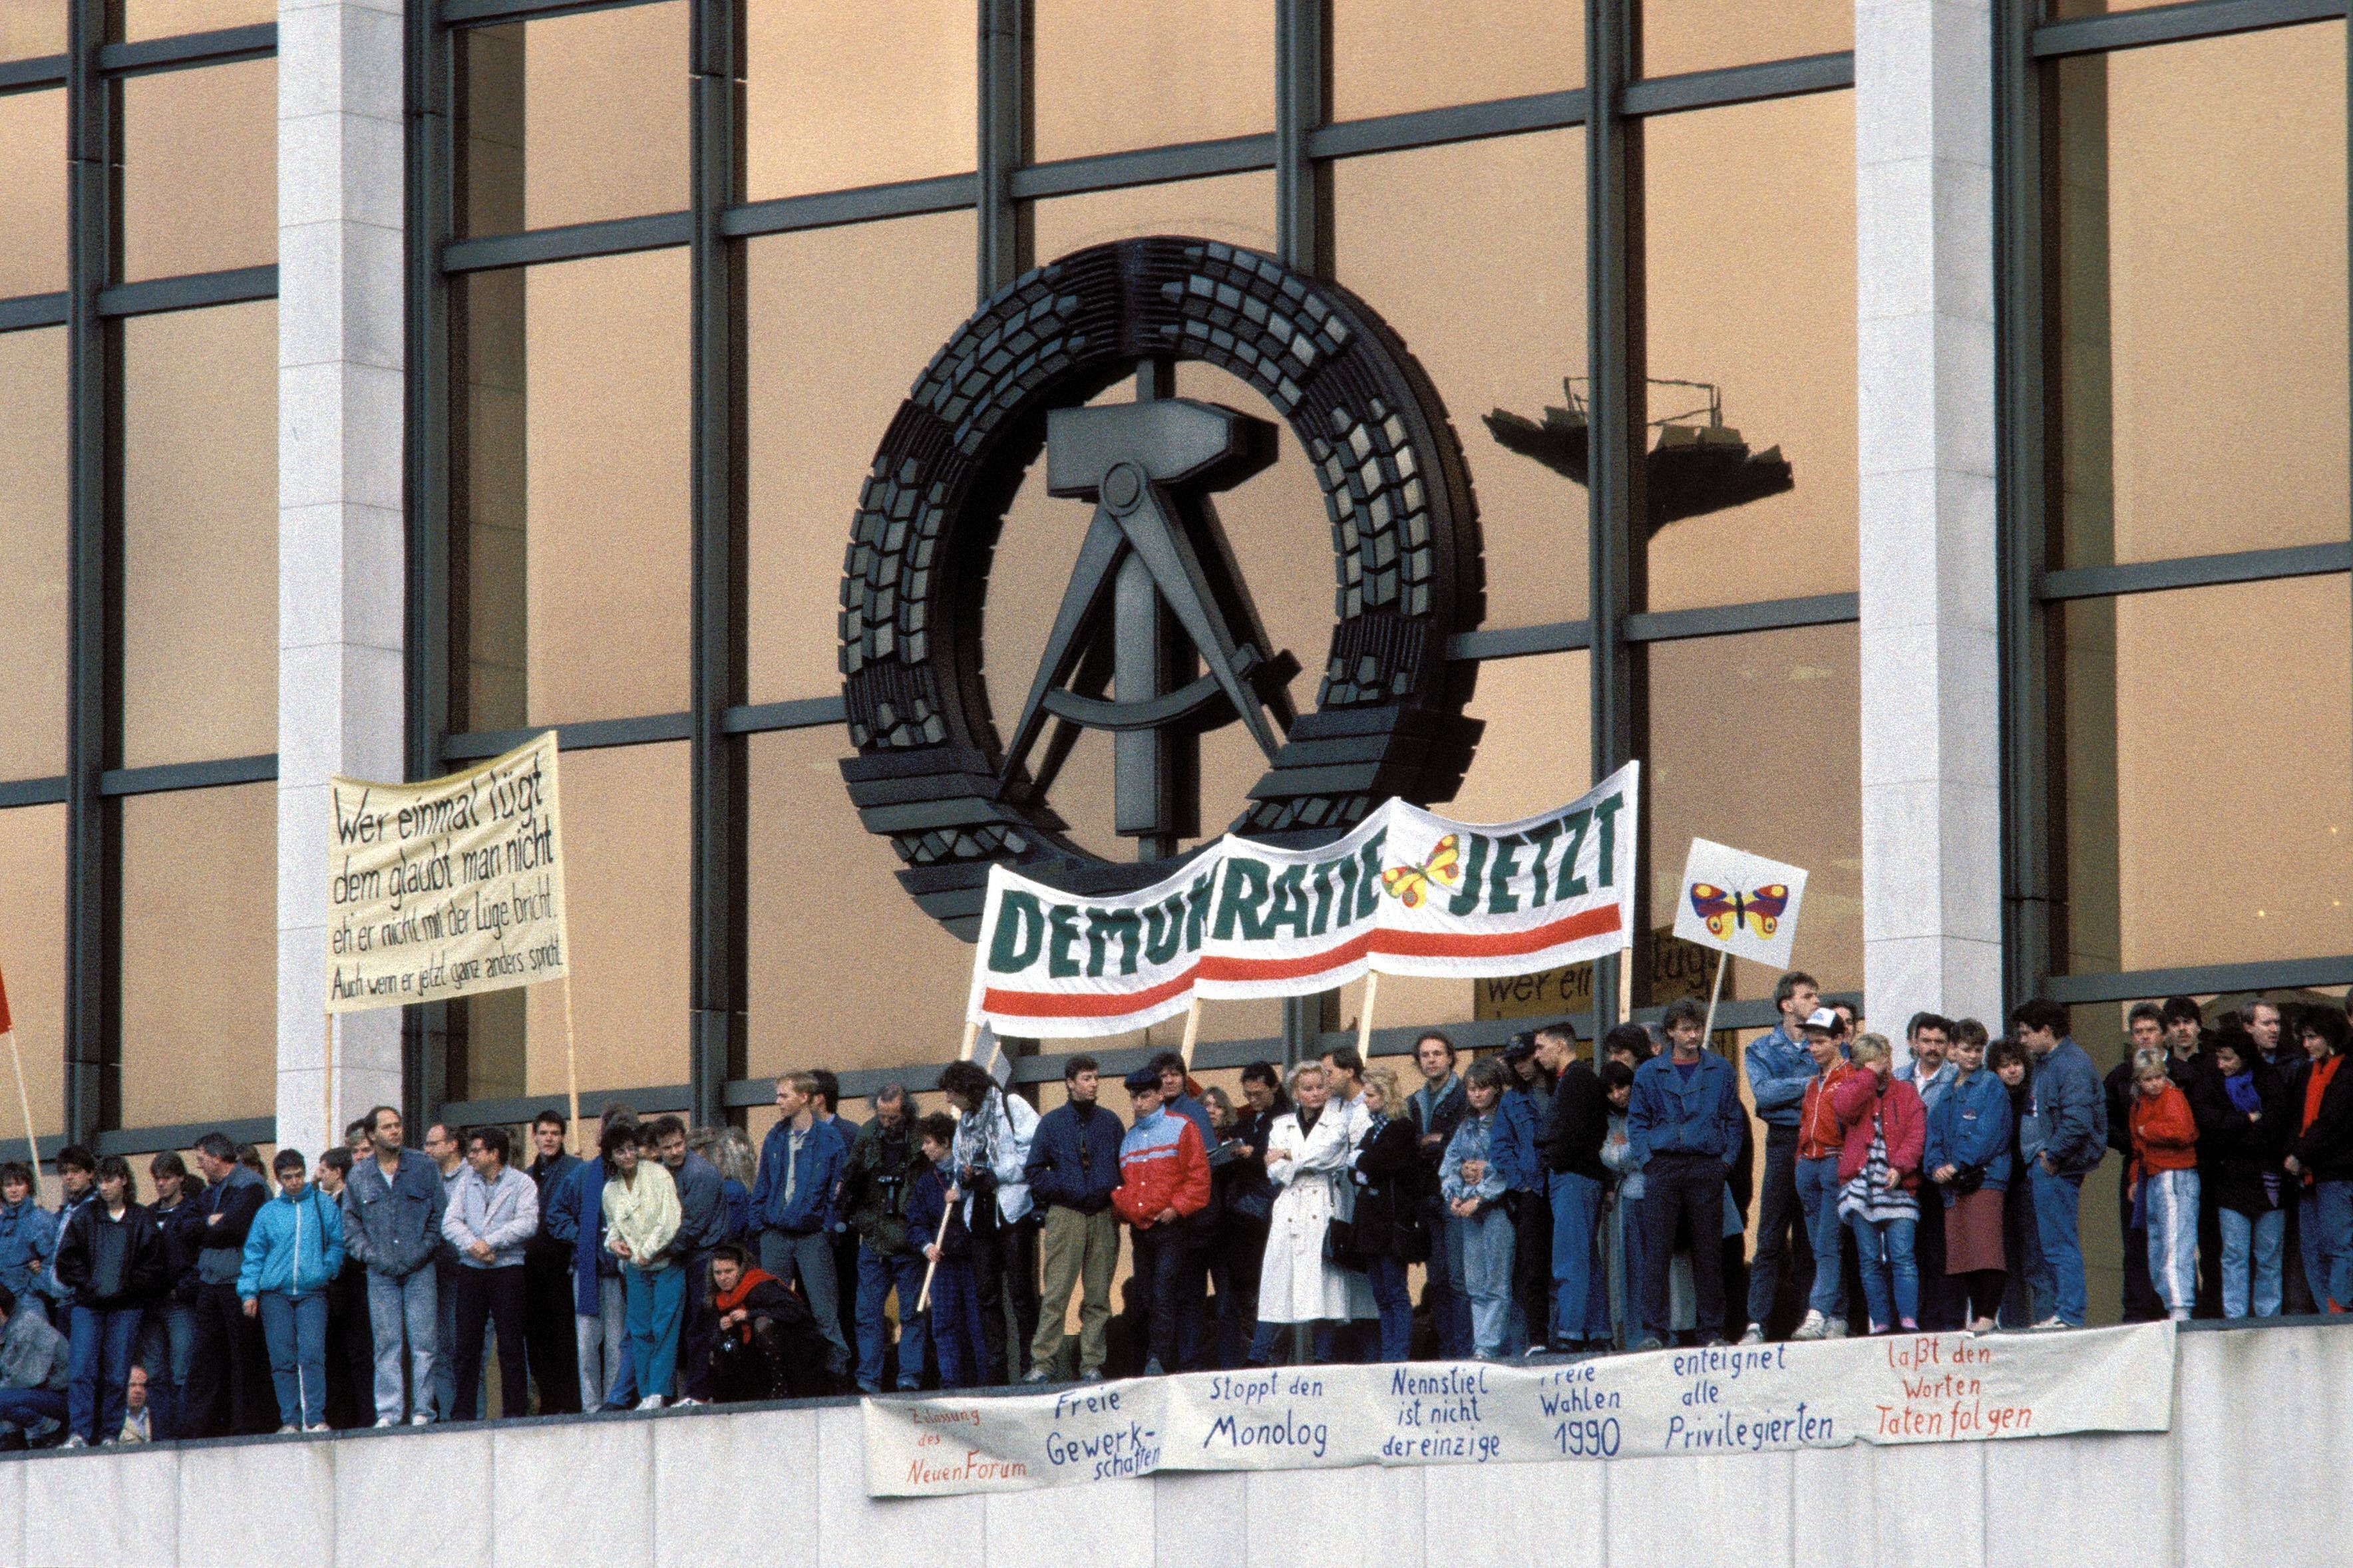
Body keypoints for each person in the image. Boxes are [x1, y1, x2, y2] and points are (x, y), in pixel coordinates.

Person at [1626, 997, 1745, 1349]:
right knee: (1657, 1252)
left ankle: (1712, 1331)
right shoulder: (1649, 1072)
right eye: (1686, 1029)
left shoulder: (1721, 1070)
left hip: (1706, 1166)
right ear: (1670, 1033)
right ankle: (1654, 1331)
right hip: (1663, 1167)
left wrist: (1724, 1162)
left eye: (1697, 1028)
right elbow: (1637, 1120)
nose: (1693, 1035)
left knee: (1709, 1252)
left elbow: (1733, 1120)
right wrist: (1647, 1158)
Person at [1251, 1064, 1367, 1364]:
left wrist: (1289, 1155)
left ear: (1328, 1090)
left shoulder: (1341, 1120)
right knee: (1278, 1282)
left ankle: (1323, 1357)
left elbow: (1330, 1156)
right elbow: (1272, 1169)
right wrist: (1289, 1162)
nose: (1314, 1094)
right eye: (1307, 1088)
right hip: (1289, 1205)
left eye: (1319, 1087)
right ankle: (1258, 1355)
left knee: (1324, 1285)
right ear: (1295, 1093)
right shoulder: (1281, 1124)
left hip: (1323, 1204)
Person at [938, 1060, 1041, 1384]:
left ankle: (1031, 1362)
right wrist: (966, 1176)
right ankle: (997, 1367)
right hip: (980, 1214)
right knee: (987, 1294)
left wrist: (998, 1173)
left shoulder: (1010, 1106)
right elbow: (957, 1164)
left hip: (1011, 1210)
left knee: (1022, 1292)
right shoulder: (964, 1123)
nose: (949, 1101)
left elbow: (1033, 1152)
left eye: (952, 1093)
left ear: (968, 1089)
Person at [341, 1104, 444, 1427]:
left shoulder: (424, 1166)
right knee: (386, 1345)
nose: (395, 1131)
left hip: (420, 1268)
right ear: (372, 1135)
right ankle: (388, 1412)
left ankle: (422, 1411)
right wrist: (371, 1256)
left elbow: (439, 1216)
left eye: (398, 1125)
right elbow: (350, 1225)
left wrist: (423, 1251)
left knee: (424, 1344)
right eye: (387, 1127)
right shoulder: (359, 1174)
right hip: (380, 1272)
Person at [1023, 1058, 1124, 1384]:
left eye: (1096, 1078)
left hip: (1103, 1213)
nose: (1093, 1084)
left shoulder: (1110, 1122)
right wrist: (1066, 1189)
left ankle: (1092, 1362)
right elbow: (1034, 1171)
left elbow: (1124, 1166)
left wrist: (1111, 1192)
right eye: (1086, 1078)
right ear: (1070, 1082)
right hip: (1065, 1214)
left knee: (1098, 1296)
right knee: (1056, 1294)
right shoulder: (1052, 1124)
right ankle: (1043, 1363)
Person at [2011, 997, 2108, 1329]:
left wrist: (2052, 1156)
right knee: (2051, 1244)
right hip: (2045, 1164)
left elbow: (2078, 1121)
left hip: (2056, 1167)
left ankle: (2069, 1313)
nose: (2021, 1040)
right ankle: (2061, 1311)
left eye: (2026, 1033)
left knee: (2059, 1243)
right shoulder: (2047, 1062)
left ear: (2047, 1031)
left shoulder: (2072, 1064)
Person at [55, 1155, 164, 1448]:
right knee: (81, 1370)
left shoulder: (141, 1218)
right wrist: (90, 1286)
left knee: (117, 1374)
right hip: (89, 1306)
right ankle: (79, 1432)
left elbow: (153, 1264)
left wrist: (126, 1287)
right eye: (100, 1181)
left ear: (124, 1180)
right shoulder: (85, 1216)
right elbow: (66, 1260)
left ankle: (109, 1434)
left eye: (110, 1180)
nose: (104, 1187)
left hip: (125, 1308)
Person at [750, 1074, 852, 1386]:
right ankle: (777, 1376)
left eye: (784, 1096)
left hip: (811, 1235)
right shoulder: (775, 1137)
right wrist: (760, 1225)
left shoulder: (830, 1139)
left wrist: (826, 1226)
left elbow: (839, 1191)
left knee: (824, 1310)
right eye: (778, 1096)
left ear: (805, 1097)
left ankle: (834, 1377)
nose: (778, 1102)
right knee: (771, 1308)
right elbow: (764, 1185)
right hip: (776, 1232)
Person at [1111, 1066, 1212, 1376]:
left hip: (1172, 1227)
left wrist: (1176, 1208)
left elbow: (1198, 1177)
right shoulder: (1129, 1138)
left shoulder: (1183, 1127)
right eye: (1134, 1098)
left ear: (1158, 1095)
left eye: (1144, 1096)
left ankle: (1159, 1360)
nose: (1138, 1103)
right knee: (1144, 1294)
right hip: (1142, 1230)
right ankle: (1150, 1359)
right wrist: (1127, 1211)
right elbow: (1124, 1186)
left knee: (1165, 1291)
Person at [238, 1149, 344, 1434]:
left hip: (313, 1291)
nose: (295, 1182)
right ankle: (290, 1420)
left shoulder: (322, 1205)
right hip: (275, 1294)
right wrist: (248, 1292)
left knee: (312, 1355)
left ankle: (316, 1417)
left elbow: (337, 1242)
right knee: (282, 1359)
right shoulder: (268, 1212)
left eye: (298, 1175)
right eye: (288, 1178)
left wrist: (328, 1268)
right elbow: (254, 1254)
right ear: (278, 1179)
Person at [1743, 971, 1824, 1341]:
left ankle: (1811, 1319)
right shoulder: (1761, 1048)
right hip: (1781, 1144)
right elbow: (1765, 1096)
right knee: (1771, 1238)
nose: (1816, 1002)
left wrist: (1792, 1092)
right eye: (1808, 996)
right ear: (1786, 1005)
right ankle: (1756, 1322)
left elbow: (1833, 1092)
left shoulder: (1823, 1046)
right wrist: (1809, 1084)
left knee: (1811, 1239)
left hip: (1816, 1143)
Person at [441, 1125, 541, 1420]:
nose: (470, 1156)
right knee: (466, 1345)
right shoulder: (466, 1183)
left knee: (510, 1343)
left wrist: (491, 1241)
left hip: (507, 1269)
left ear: (494, 1154)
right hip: (472, 1270)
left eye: (476, 1150)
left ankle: (514, 1412)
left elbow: (527, 1223)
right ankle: (463, 1413)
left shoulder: (522, 1183)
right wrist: (473, 1245)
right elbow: (450, 1222)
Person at [1829, 1034, 1926, 1335]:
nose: (1884, 1067)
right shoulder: (1852, 1090)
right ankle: (1881, 1322)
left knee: (1903, 1257)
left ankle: (1908, 1319)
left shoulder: (1907, 1093)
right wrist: (1867, 1078)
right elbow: (1845, 1110)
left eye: (1885, 1058)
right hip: (1861, 1188)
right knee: (1869, 1260)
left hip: (1898, 1186)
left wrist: (1901, 1167)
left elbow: (1916, 1134)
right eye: (1874, 1062)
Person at [2191, 1026, 2290, 1318]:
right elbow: (2210, 1129)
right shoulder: (2212, 1084)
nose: (2222, 1065)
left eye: (2228, 1059)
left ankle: (2268, 1317)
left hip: (2269, 1182)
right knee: (2233, 1255)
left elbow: (2275, 1127)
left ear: (2244, 1057)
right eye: (2219, 1058)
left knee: (2269, 1255)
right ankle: (2235, 1317)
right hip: (2230, 1183)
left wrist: (2234, 1129)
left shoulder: (2268, 1080)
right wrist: (2247, 1119)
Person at [546, 1105, 639, 1412]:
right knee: (587, 1343)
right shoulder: (584, 1174)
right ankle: (591, 1406)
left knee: (616, 1342)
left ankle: (614, 1402)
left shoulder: (639, 1176)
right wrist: (583, 1236)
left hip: (620, 1271)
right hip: (587, 1269)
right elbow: (555, 1214)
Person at [840, 1084, 930, 1394]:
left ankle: (910, 1376)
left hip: (909, 1240)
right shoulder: (868, 1135)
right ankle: (868, 1378)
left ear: (906, 1113)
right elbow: (851, 1178)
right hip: (875, 1239)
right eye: (882, 1117)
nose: (887, 1123)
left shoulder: (920, 1139)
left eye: (892, 1118)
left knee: (912, 1313)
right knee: (867, 1313)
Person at [1924, 1024, 2012, 1334]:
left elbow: (1988, 1134)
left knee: (1985, 1249)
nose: (1972, 1056)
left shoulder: (1991, 1085)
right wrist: (1935, 1166)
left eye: (1978, 1050)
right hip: (1954, 1185)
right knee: (1964, 1253)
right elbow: (1933, 1133)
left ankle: (1988, 1314)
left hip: (1985, 1179)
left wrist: (1957, 1164)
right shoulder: (1948, 1091)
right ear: (1953, 1051)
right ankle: (1978, 1317)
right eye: (1966, 1049)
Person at [186, 1130, 272, 1436]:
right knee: (206, 1358)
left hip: (238, 1281)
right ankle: (203, 1427)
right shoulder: (211, 1192)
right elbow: (186, 1227)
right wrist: (211, 1223)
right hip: (211, 1281)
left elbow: (235, 1228)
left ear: (216, 1157)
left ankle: (246, 1425)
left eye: (201, 1160)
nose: (199, 1167)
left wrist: (209, 1225)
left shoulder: (251, 1187)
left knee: (242, 1358)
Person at [1536, 1022, 1611, 1353]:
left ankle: (1570, 1332)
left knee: (1570, 1258)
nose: (1537, 1056)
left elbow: (1574, 1132)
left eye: (1541, 1047)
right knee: (1585, 1257)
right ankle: (1597, 1330)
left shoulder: (1576, 1080)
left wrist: (1554, 1158)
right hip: (1579, 1176)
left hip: (1573, 1177)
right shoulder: (1571, 1081)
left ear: (1561, 1045)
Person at [1439, 1059, 1521, 1360]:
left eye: (1483, 1088)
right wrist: (1455, 1195)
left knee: (1497, 1280)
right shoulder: (1465, 1126)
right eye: (1471, 1089)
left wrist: (1481, 1190)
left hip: (1497, 1208)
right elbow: (1449, 1165)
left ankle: (1492, 1344)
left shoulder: (1506, 1121)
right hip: (1468, 1211)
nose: (1476, 1095)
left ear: (1496, 1089)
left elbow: (1508, 1166)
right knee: (1474, 1282)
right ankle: (1481, 1344)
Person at [1783, 1007, 1856, 1341]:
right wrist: (1800, 1158)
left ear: (1839, 1039)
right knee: (1819, 1247)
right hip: (1809, 1165)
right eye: (1810, 1042)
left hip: (1833, 1163)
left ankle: (1817, 1313)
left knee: (1828, 1244)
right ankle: (1837, 1315)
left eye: (1820, 1042)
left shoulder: (1852, 1077)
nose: (1813, 1048)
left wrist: (1843, 1162)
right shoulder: (1814, 1082)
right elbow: (1804, 1124)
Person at [602, 1122, 683, 1410]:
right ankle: (646, 1392)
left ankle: (659, 1392)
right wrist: (613, 1244)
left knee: (664, 1328)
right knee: (639, 1332)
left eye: (631, 1149)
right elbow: (613, 1226)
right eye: (620, 1151)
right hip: (637, 1269)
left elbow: (670, 1219)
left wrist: (648, 1251)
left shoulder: (658, 1175)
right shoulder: (610, 1190)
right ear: (611, 1155)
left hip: (665, 1264)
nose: (627, 1155)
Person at [649, 1116, 728, 1404]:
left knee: (699, 1325)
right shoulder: (660, 1172)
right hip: (680, 1256)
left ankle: (699, 1392)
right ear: (658, 1148)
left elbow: (692, 1226)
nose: (675, 1151)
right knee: (677, 1327)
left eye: (679, 1144)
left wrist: (654, 1251)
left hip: (702, 1256)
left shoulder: (702, 1173)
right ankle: (679, 1391)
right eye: (667, 1147)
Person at [907, 1112, 986, 1388]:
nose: (924, 1147)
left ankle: (983, 1382)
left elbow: (984, 1202)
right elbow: (915, 1223)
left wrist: (964, 1194)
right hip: (942, 1265)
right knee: (944, 1324)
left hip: (971, 1260)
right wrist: (927, 1245)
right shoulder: (926, 1182)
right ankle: (950, 1382)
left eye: (928, 1142)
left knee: (977, 1323)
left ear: (944, 1142)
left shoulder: (967, 1172)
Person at [1348, 1068, 1421, 1363]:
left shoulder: (1401, 1127)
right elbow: (1355, 1171)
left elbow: (1377, 1163)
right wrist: (1363, 1166)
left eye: (1371, 1095)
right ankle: (1389, 1351)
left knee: (1395, 1291)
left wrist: (1362, 1163)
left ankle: (1398, 1353)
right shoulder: (1371, 1129)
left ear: (1386, 1095)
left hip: (1391, 1222)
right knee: (1380, 1292)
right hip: (1371, 1223)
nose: (1365, 1100)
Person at [1405, 1030, 1469, 1360]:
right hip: (1427, 1197)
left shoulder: (1463, 1094)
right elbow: (1411, 1145)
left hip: (1456, 1194)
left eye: (1437, 1054)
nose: (1431, 1060)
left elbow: (1456, 1144)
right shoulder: (1414, 1100)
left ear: (1450, 1056)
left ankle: (1465, 1352)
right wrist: (1426, 1143)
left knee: (1460, 1280)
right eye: (1425, 1055)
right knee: (1438, 1281)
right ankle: (1447, 1353)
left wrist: (1433, 1143)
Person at [2285, 1007, 2353, 1313]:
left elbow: (2332, 1121)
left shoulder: (2347, 1070)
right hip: (2309, 1174)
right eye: (2304, 1038)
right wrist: (2295, 1154)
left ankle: (2341, 1308)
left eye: (2312, 1038)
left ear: (2329, 1037)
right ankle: (2327, 1311)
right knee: (2312, 1249)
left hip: (2335, 1172)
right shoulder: (2306, 1072)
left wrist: (2300, 1154)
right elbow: (2294, 1118)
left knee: (2337, 1244)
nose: (2307, 1045)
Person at [2124, 1047, 2199, 1323]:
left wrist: (2149, 1131)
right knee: (2158, 1243)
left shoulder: (2173, 1097)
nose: (2155, 1083)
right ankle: (2172, 1303)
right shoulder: (2138, 1105)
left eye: (2158, 1077)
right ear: (2138, 1081)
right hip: (2153, 1174)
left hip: (2175, 1173)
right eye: (2148, 1079)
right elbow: (2137, 1148)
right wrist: (2134, 1178)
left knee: (2175, 1241)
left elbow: (2184, 1131)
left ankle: (2180, 1306)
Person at [703, 1242, 830, 1402]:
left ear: (741, 1270)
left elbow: (796, 1312)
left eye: (729, 1271)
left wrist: (750, 1315)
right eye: (718, 1273)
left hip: (795, 1349)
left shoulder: (760, 1286)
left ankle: (782, 1386)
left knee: (762, 1324)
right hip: (753, 1357)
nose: (723, 1278)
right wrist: (721, 1327)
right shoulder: (719, 1299)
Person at [1894, 1013, 1957, 1328]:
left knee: (1939, 1253)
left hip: (1938, 1177)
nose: (1932, 1048)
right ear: (1914, 1043)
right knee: (1906, 1254)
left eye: (1939, 1042)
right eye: (1927, 1041)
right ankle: (1911, 1322)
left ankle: (1939, 1325)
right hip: (1903, 1178)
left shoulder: (1958, 1079)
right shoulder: (1898, 1078)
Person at [137, 1152, 204, 1439]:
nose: (161, 1184)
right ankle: (161, 1433)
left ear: (180, 1178)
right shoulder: (147, 1214)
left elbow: (200, 1257)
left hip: (180, 1302)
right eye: (157, 1179)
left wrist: (184, 1288)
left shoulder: (193, 1211)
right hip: (152, 1303)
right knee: (154, 1374)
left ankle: (183, 1432)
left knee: (182, 1371)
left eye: (166, 1178)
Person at [521, 1110, 582, 1414]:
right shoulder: (525, 1176)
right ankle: (547, 1400)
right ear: (534, 1136)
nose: (549, 1139)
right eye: (544, 1133)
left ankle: (569, 1402)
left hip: (562, 1265)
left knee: (565, 1337)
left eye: (555, 1134)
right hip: (532, 1269)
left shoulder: (575, 1169)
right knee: (538, 1339)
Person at [1222, 1064, 1284, 1360]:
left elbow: (1285, 1157)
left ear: (1273, 1088)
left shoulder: (1287, 1118)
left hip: (1272, 1215)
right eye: (1248, 1094)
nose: (1253, 1100)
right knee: (1245, 1288)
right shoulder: (1245, 1122)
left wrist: (1254, 1155)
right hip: (1242, 1219)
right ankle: (1255, 1351)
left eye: (1258, 1094)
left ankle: (1273, 1353)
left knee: (1273, 1286)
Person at [1499, 1036, 1555, 1353]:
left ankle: (1566, 1333)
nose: (1520, 1066)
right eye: (1514, 1061)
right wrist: (1522, 1183)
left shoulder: (1560, 1088)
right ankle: (1537, 1338)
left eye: (1524, 1058)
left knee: (1565, 1264)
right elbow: (1501, 1147)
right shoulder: (1511, 1100)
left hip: (1561, 1185)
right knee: (1533, 1268)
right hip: (1531, 1192)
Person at [311, 1147, 373, 1428]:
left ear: (337, 1172)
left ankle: (362, 1417)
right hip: (333, 1294)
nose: (318, 1176)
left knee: (358, 1356)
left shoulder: (350, 1201)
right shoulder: (325, 1202)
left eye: (323, 1170)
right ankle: (342, 1417)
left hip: (353, 1289)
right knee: (336, 1357)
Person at [422, 1120, 472, 1420]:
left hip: (465, 1271)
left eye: (433, 1143)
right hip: (435, 1272)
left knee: (464, 1351)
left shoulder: (470, 1178)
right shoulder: (430, 1178)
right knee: (440, 1349)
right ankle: (450, 1415)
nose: (426, 1150)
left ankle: (469, 1416)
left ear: (453, 1145)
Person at [1598, 1061, 1642, 1347]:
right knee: (1624, 1271)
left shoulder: (1645, 1109)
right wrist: (1630, 1154)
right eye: (1611, 1090)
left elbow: (1639, 1150)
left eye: (1622, 1086)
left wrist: (1622, 1153)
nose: (1618, 1095)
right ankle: (1627, 1337)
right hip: (1624, 1200)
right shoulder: (1606, 1120)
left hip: (1647, 1195)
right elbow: (1610, 1158)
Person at [0, 1281, 69, 1448]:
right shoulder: (9, 1326)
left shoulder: (25, 1326)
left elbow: (22, 1381)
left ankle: (52, 1428)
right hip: (40, 1393)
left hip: (62, 1397)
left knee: (5, 1395)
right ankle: (14, 1437)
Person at [0, 1162, 58, 1329]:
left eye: (19, 1184)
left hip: (29, 1299)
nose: (14, 1189)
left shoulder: (40, 1220)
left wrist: (34, 1285)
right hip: (4, 1300)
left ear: (28, 1186)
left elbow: (52, 1261)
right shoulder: (3, 1222)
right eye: (8, 1185)